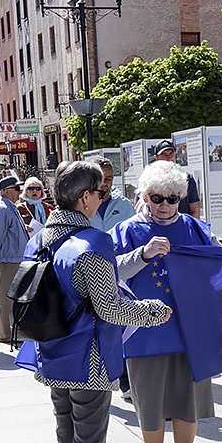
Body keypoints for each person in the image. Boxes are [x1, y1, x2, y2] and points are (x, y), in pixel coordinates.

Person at [20, 160, 172, 443]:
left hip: (51, 354)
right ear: (86, 197)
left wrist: (139, 256)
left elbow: (81, 282)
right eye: (100, 193)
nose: (101, 199)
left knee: (66, 442)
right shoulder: (92, 242)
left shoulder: (42, 238)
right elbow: (110, 306)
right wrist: (153, 312)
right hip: (88, 359)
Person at [110, 160, 217, 443]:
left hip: (189, 334)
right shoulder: (126, 231)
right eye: (157, 198)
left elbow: (220, 264)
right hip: (143, 333)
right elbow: (110, 273)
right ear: (143, 196)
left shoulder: (196, 228)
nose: (165, 206)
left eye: (173, 198)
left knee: (188, 407)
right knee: (151, 408)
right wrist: (142, 254)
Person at [89, 156, 137, 400]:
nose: (106, 183)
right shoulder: (85, 204)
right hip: (92, 277)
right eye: (102, 178)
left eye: (109, 178)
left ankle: (125, 381)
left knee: (123, 330)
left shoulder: (125, 205)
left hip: (122, 276)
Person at [0, 175, 30, 344]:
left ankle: (12, 331)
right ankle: (5, 333)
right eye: (16, 189)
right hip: (8, 260)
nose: (19, 192)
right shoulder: (2, 209)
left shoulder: (9, 207)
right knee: (7, 298)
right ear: (5, 191)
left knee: (14, 297)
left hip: (14, 258)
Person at [152, 140, 201, 218]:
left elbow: (195, 208)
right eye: (164, 155)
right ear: (156, 158)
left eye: (171, 154)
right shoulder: (149, 179)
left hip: (181, 227)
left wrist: (192, 229)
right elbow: (139, 206)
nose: (169, 158)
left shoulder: (187, 178)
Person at [89, 156, 135, 232]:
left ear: (112, 179)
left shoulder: (125, 206)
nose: (104, 183)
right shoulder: (82, 207)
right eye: (100, 179)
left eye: (108, 179)